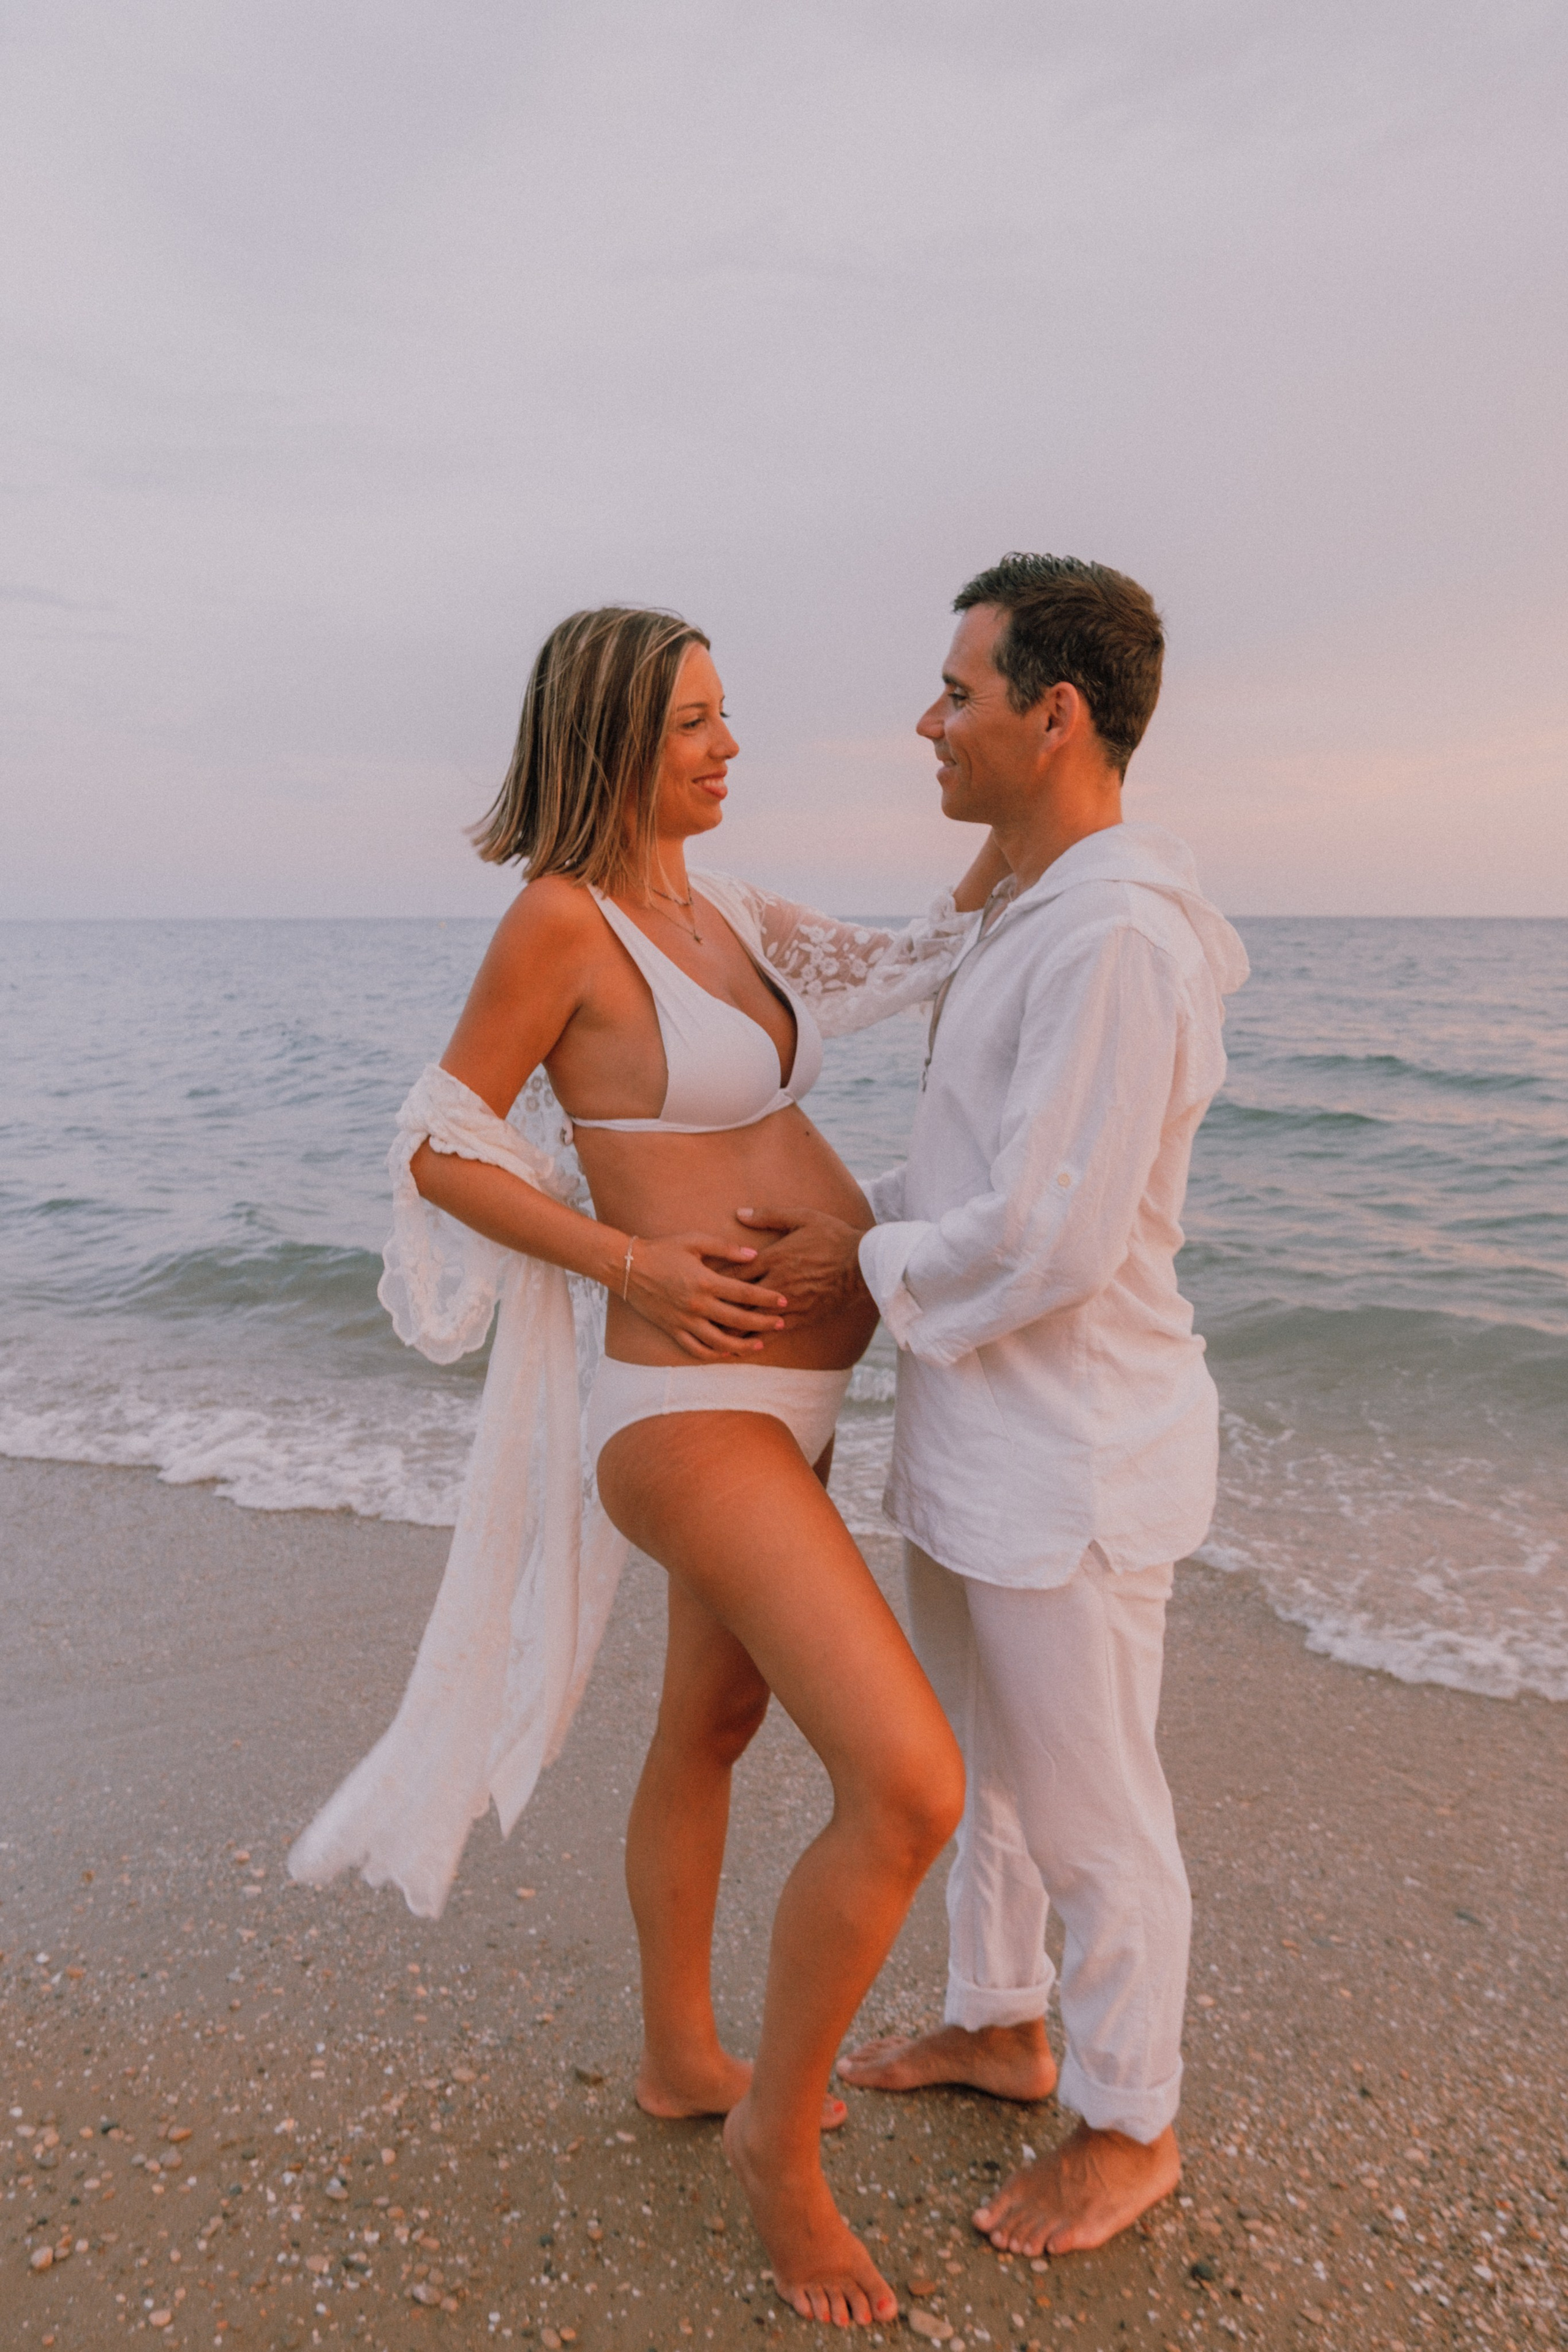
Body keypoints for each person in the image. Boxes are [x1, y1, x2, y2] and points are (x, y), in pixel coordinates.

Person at [290, 604, 1006, 2329]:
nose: (727, 745)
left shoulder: (732, 911)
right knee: (910, 1785)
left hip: (796, 1401)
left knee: (714, 1724)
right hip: (682, 1413)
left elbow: (917, 953)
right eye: (694, 720)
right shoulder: (562, 920)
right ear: (611, 735)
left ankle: (685, 2057)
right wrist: (641, 1266)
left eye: (727, 714)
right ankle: (777, 2149)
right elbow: (440, 1147)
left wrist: (1068, 823)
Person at [734, 554, 1250, 2258]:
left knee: (1097, 1806)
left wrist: (857, 1262)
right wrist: (861, 1219)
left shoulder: (1116, 938)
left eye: (957, 693)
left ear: (1057, 714)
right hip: (984, 1440)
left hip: (1074, 1459)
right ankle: (1004, 2023)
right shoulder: (1040, 905)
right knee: (987, 1777)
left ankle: (1130, 2121)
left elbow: (1050, 1235)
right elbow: (982, 1167)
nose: (927, 720)